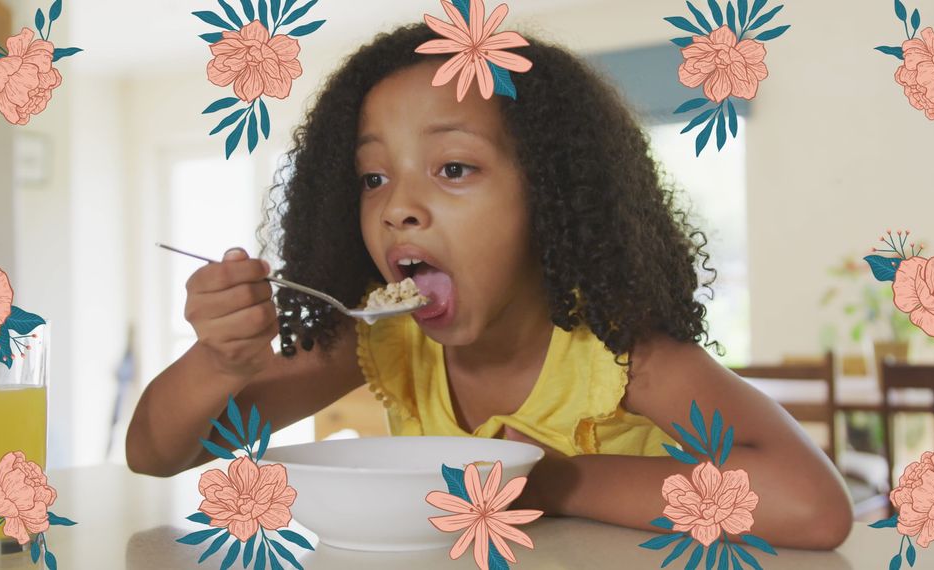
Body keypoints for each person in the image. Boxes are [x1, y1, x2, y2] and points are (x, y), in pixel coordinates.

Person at [126, 22, 853, 549]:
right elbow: (161, 454)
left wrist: (550, 484)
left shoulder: (621, 358)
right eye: (373, 178)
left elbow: (812, 505)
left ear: (553, 196)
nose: (398, 207)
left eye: (453, 169)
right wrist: (215, 364)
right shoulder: (383, 343)